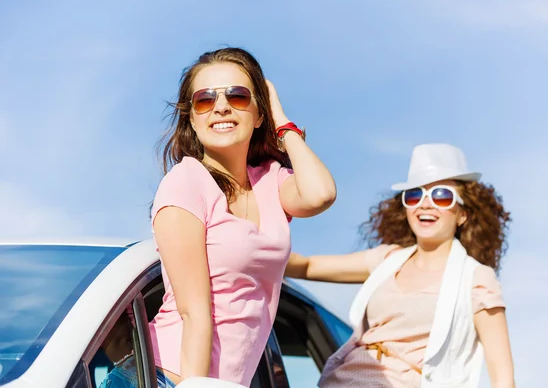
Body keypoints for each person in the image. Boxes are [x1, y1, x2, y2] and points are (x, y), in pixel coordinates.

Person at [150, 47, 336, 387]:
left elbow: (320, 194)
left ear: (259, 113)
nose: (221, 106)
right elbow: (194, 313)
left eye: (238, 96)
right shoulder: (185, 183)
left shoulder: (270, 180)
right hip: (173, 377)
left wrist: (283, 121)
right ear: (191, 117)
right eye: (205, 99)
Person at [285, 143, 515, 387]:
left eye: (442, 196)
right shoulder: (387, 260)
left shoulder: (476, 279)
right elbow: (307, 266)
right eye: (415, 195)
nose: (425, 204)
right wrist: (248, 249)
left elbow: (503, 378)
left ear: (462, 214)